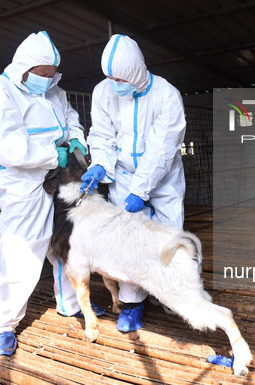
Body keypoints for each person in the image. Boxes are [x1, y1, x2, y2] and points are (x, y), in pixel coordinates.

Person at [0, 31, 106, 357]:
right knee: (22, 254)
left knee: (64, 244)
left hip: (58, 176)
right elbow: (3, 145)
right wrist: (49, 154)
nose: (48, 79)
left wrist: (77, 141)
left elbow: (69, 117)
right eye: (41, 74)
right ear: (24, 68)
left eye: (52, 73)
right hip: (22, 184)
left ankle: (70, 302)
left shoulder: (54, 90)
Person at [82, 34, 187, 332]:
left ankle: (170, 294)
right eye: (110, 77)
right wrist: (100, 164)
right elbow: (101, 134)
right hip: (124, 177)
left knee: (167, 237)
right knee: (128, 244)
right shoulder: (103, 92)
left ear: (137, 71)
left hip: (162, 178)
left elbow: (161, 150)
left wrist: (141, 190)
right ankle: (132, 303)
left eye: (121, 78)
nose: (115, 84)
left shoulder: (166, 95)